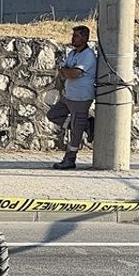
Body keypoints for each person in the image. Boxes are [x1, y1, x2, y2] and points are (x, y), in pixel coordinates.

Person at [48, 25, 98, 170]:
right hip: (69, 95)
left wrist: (67, 72)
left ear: (85, 38)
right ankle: (87, 125)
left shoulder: (88, 55)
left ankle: (70, 159)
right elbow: (62, 71)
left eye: (76, 36)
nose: (73, 38)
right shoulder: (73, 54)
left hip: (81, 97)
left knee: (76, 130)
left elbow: (75, 73)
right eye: (73, 35)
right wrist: (67, 72)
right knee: (53, 115)